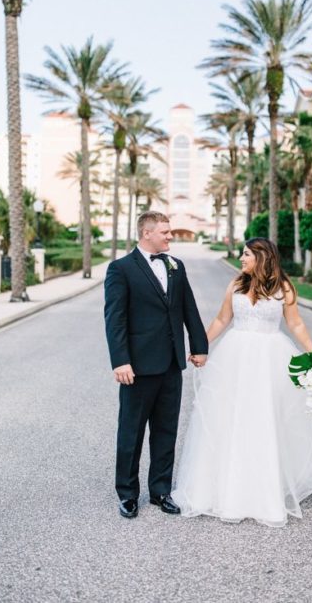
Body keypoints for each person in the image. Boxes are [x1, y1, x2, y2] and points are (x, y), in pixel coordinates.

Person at [171, 237, 312, 526]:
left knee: (266, 420)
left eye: (246, 254)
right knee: (231, 418)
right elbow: (223, 319)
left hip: (270, 358)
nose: (241, 259)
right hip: (235, 357)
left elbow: (295, 323)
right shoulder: (236, 284)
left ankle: (264, 489)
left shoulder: (284, 287)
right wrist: (201, 346)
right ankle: (226, 487)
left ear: (262, 256)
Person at [103, 210, 209, 519]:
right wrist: (121, 360)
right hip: (137, 367)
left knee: (166, 430)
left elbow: (188, 307)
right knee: (131, 432)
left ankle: (161, 491)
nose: (170, 236)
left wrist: (199, 346)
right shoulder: (120, 269)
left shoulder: (177, 266)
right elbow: (115, 320)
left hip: (171, 364)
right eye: (165, 232)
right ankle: (127, 494)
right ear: (147, 233)